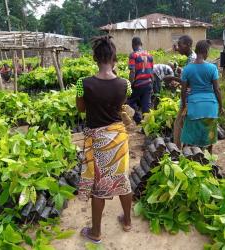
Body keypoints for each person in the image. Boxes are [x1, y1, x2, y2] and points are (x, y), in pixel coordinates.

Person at [76, 35, 132, 244]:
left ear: (94, 58)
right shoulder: (124, 84)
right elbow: (120, 107)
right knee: (122, 179)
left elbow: (81, 109)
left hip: (97, 139)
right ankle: (127, 221)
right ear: (114, 58)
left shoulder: (83, 84)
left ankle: (96, 232)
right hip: (118, 137)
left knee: (99, 184)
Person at [180, 40, 224, 154]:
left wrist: (184, 106)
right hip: (210, 106)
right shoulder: (212, 68)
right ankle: (208, 158)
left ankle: (188, 156)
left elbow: (183, 90)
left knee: (190, 136)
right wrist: (221, 106)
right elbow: (217, 89)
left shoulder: (188, 69)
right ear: (205, 52)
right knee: (209, 135)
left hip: (194, 106)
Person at [127, 37, 154, 124]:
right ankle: (147, 125)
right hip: (148, 83)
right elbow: (151, 71)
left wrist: (130, 85)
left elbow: (132, 71)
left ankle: (138, 119)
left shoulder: (133, 55)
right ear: (141, 44)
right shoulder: (149, 55)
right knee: (146, 106)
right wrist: (152, 85)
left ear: (133, 45)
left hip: (138, 84)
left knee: (129, 102)